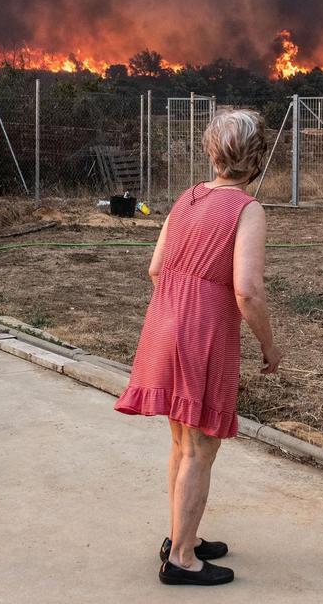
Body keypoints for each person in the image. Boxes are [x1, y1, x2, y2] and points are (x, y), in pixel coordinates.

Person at [114, 108, 283, 586]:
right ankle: (183, 559)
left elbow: (155, 268)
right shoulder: (247, 210)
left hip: (163, 324)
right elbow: (247, 290)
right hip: (203, 333)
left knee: (180, 441)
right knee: (201, 448)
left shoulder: (187, 199)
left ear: (212, 153)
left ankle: (178, 535)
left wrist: (178, 306)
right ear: (256, 159)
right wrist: (270, 346)